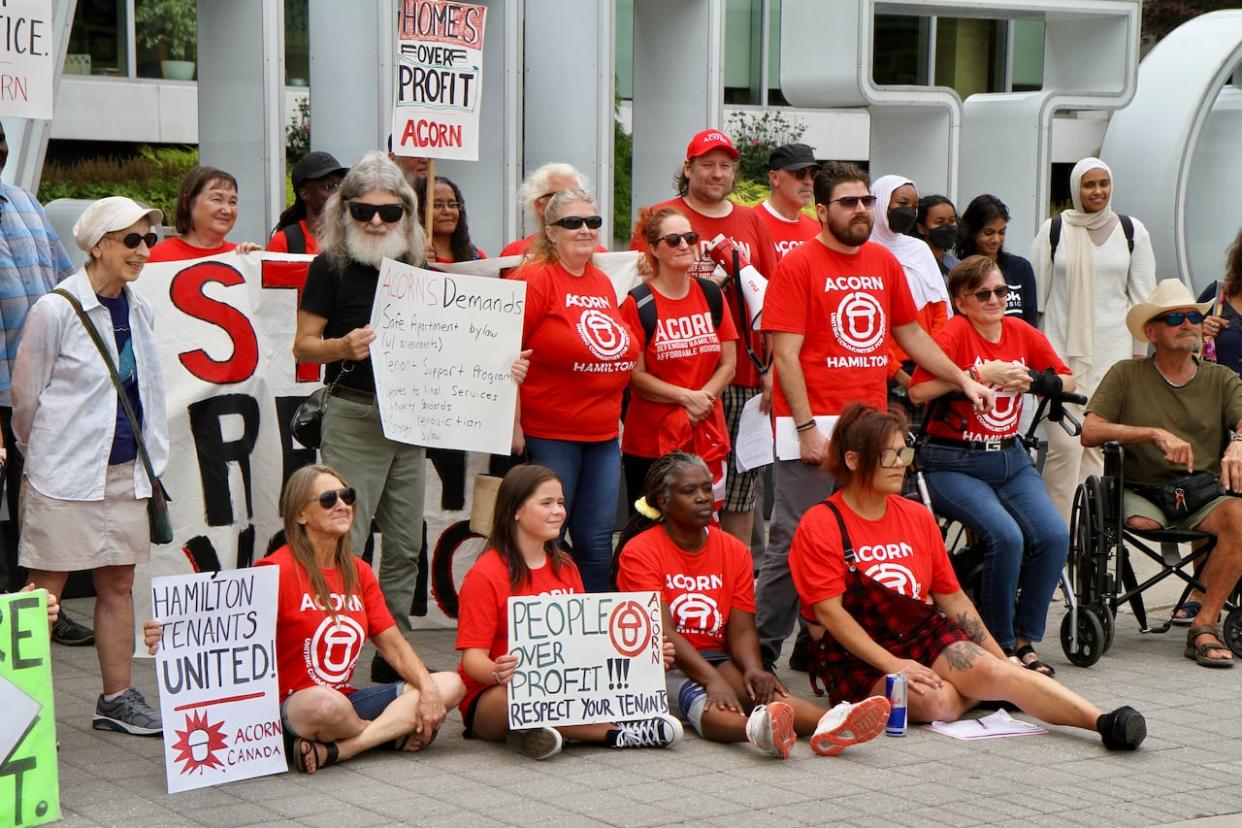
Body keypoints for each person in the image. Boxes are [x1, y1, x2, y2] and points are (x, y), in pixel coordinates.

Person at [789, 403, 1147, 749]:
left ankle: (1104, 722)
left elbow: (953, 597)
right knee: (936, 703)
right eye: (889, 456)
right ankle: (987, 692)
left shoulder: (915, 515)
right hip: (856, 652)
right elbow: (829, 613)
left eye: (904, 453)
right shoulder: (821, 523)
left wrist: (998, 656)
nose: (901, 465)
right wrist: (894, 664)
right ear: (853, 460)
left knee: (1006, 673)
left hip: (920, 630)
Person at [754, 162, 993, 668]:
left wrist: (964, 378)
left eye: (865, 200)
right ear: (821, 211)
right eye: (848, 202)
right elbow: (787, 356)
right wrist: (802, 429)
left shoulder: (883, 264)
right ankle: (760, 649)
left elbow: (912, 336)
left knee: (863, 540)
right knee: (796, 537)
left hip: (870, 426)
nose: (861, 209)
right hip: (812, 424)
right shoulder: (798, 265)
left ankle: (820, 645)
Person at [145, 464, 464, 772]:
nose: (342, 505)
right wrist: (172, 635)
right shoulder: (273, 570)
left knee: (450, 683)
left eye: (347, 496)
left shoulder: (359, 572)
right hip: (292, 707)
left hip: (345, 704)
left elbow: (393, 645)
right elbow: (223, 635)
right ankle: (383, 734)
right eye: (328, 499)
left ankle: (343, 748)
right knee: (324, 704)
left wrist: (429, 692)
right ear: (300, 514)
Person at [616, 452, 890, 758]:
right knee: (708, 702)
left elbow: (743, 628)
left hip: (717, 656)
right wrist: (712, 680)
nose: (703, 498)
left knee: (763, 690)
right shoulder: (640, 551)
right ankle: (758, 731)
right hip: (664, 663)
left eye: (707, 488)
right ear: (662, 502)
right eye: (689, 491)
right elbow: (664, 633)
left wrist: (753, 669)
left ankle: (832, 724)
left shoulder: (733, 549)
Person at [14, 196, 169, 735]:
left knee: (119, 585)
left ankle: (117, 699)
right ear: (99, 244)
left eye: (149, 239)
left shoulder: (140, 308)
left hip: (127, 473)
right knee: (43, 595)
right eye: (132, 239)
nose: (144, 251)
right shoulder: (55, 309)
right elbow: (26, 398)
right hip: (64, 473)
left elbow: (146, 388)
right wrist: (54, 454)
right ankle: (20, 715)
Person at [293, 151, 433, 684]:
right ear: (343, 210)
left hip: (411, 418)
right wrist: (342, 347)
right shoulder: (329, 267)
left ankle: (390, 648)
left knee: (404, 541)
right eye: (363, 211)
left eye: (389, 212)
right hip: (354, 412)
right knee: (343, 537)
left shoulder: (417, 265)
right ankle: (334, 643)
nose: (376, 221)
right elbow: (303, 348)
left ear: (406, 213)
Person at [908, 255, 1075, 674]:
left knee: (1054, 534)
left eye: (1002, 291)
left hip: (1008, 454)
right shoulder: (954, 333)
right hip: (952, 460)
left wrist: (1036, 381)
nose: (996, 299)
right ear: (962, 301)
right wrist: (977, 373)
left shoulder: (1020, 331)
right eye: (984, 294)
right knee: (1007, 536)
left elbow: (1068, 379)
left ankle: (1025, 640)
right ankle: (999, 645)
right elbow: (918, 391)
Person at [456, 463, 682, 759]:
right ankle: (617, 733)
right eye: (546, 503)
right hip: (495, 696)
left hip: (561, 689)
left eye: (561, 503)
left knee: (568, 692)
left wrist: (646, 659)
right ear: (515, 510)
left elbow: (585, 645)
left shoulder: (566, 566)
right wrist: (497, 672)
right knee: (522, 695)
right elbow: (472, 659)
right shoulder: (485, 573)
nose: (558, 511)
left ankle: (540, 732)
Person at [1081, 278, 1242, 668]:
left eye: (1192, 316)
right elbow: (1091, 430)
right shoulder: (1126, 374)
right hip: (1140, 489)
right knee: (1142, 524)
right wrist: (1151, 433)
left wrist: (1238, 441)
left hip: (1200, 491)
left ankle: (1204, 625)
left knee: (1239, 518)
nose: (1187, 324)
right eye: (1175, 319)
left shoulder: (1221, 379)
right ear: (1152, 332)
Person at [630, 129, 778, 549]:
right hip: (677, 380)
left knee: (739, 486)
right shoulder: (661, 215)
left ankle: (731, 580)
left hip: (743, 374)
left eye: (725, 165)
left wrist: (770, 371)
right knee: (678, 488)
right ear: (688, 168)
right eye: (707, 165)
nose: (717, 173)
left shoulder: (752, 219)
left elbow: (770, 299)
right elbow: (640, 285)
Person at [512, 189, 638, 592]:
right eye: (572, 222)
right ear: (550, 231)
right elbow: (503, 353)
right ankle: (547, 620)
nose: (585, 229)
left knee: (597, 540)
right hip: (550, 431)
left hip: (602, 432)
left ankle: (594, 633)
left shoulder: (601, 281)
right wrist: (513, 426)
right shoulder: (534, 278)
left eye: (592, 221)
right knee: (548, 534)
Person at [1030, 159, 1157, 522]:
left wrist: (1137, 360)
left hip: (1112, 355)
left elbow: (1142, 301)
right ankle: (1058, 534)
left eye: (1104, 183)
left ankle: (1089, 540)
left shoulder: (1133, 231)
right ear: (1075, 189)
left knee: (1097, 448)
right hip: (1059, 353)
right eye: (1089, 184)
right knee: (1064, 448)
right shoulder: (1054, 229)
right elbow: (1038, 299)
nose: (1098, 191)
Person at [0, 122, 85, 644]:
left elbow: (64, 284)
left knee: (37, 507)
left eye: (1, 141)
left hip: (41, 393)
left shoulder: (26, 202)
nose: (0, 150)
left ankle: (34, 611)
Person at [619, 207, 737, 510]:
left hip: (705, 436)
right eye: (673, 240)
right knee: (650, 528)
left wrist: (702, 398)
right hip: (650, 442)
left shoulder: (711, 293)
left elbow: (729, 363)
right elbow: (636, 376)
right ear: (654, 249)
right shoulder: (638, 303)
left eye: (690, 237)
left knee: (703, 524)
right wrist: (688, 397)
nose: (684, 245)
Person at [869, 175, 953, 403]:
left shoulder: (919, 250)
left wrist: (929, 361)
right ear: (880, 202)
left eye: (914, 207)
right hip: (880, 370)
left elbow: (940, 308)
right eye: (902, 204)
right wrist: (898, 374)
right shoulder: (864, 252)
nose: (908, 212)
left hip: (925, 367)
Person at [956, 194, 1038, 325]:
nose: (996, 240)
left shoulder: (1020, 268)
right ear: (972, 232)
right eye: (988, 233)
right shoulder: (960, 271)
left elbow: (1031, 322)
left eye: (1001, 232)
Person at [499, 162, 605, 262]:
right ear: (539, 205)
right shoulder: (515, 254)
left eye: (577, 194)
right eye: (561, 196)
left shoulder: (600, 254)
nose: (572, 200)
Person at [267, 151, 348, 255]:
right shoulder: (284, 242)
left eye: (341, 186)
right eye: (328, 186)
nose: (337, 193)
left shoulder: (352, 240)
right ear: (305, 194)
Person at [755, 143, 820, 261]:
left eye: (813, 174)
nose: (808, 181)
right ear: (775, 178)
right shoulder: (752, 224)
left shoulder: (818, 230)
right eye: (800, 173)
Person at [415, 176, 487, 263]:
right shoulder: (410, 256)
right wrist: (417, 264)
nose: (447, 211)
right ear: (419, 211)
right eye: (437, 205)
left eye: (452, 204)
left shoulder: (477, 257)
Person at [912, 194, 960, 277]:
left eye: (952, 221)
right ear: (921, 228)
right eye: (939, 222)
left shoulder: (958, 267)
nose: (947, 227)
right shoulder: (913, 265)